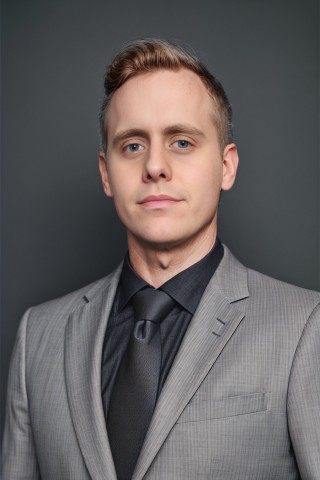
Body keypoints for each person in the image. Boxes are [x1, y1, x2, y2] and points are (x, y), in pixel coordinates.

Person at [2, 38, 320, 480]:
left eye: (182, 142)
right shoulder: (39, 336)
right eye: (132, 145)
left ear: (226, 167)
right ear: (105, 173)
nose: (154, 165)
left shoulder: (306, 328)